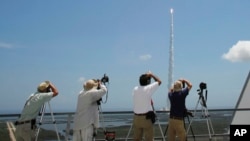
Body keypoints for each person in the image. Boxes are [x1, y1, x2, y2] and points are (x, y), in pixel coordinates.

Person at [132, 71, 162, 141]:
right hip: (146, 118)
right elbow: (159, 81)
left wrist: (147, 77)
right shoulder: (148, 88)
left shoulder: (135, 89)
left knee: (137, 139)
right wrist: (151, 75)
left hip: (136, 118)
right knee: (149, 138)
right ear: (148, 82)